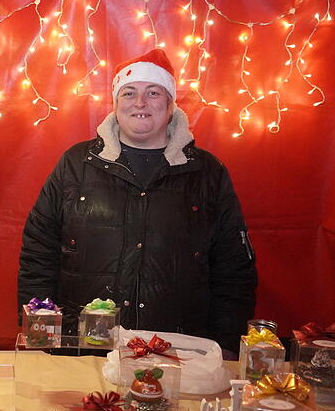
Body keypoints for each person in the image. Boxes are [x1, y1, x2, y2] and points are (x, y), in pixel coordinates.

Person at [17, 49, 257, 355]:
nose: (140, 103)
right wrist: (40, 335)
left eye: (153, 92)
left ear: (170, 105)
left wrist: (226, 347)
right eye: (129, 93)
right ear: (116, 104)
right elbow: (38, 254)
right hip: (84, 350)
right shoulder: (76, 164)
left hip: (177, 353)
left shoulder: (207, 172)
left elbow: (233, 269)